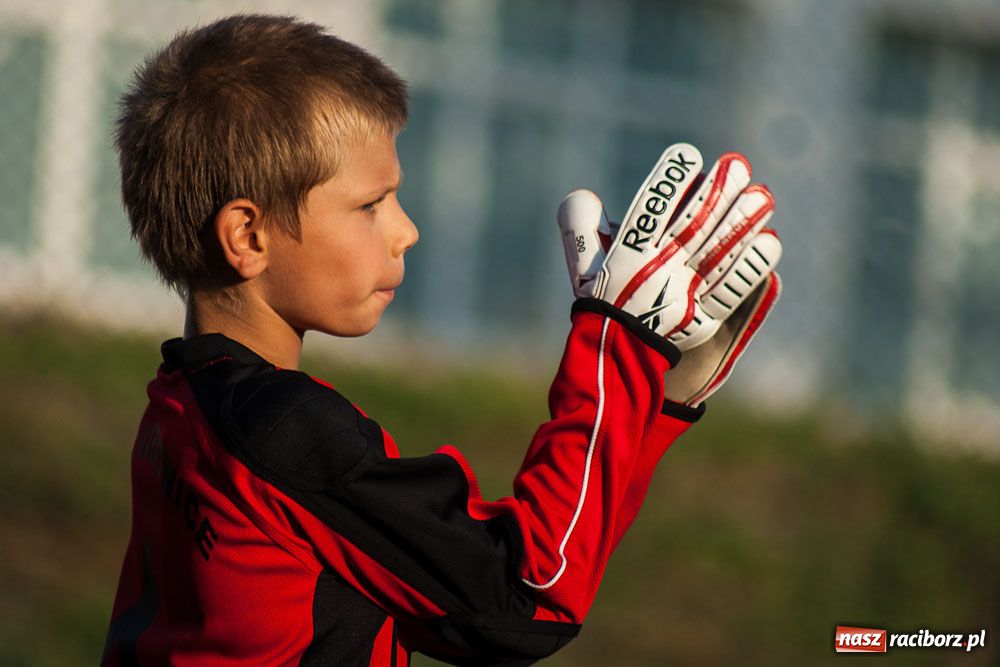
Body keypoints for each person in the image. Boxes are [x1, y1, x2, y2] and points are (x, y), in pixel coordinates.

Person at [102, 13, 781, 667]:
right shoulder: (289, 435)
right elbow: (526, 601)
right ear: (248, 237)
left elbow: (460, 607)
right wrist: (618, 348)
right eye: (371, 205)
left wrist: (643, 402)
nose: (406, 230)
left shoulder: (180, 405)